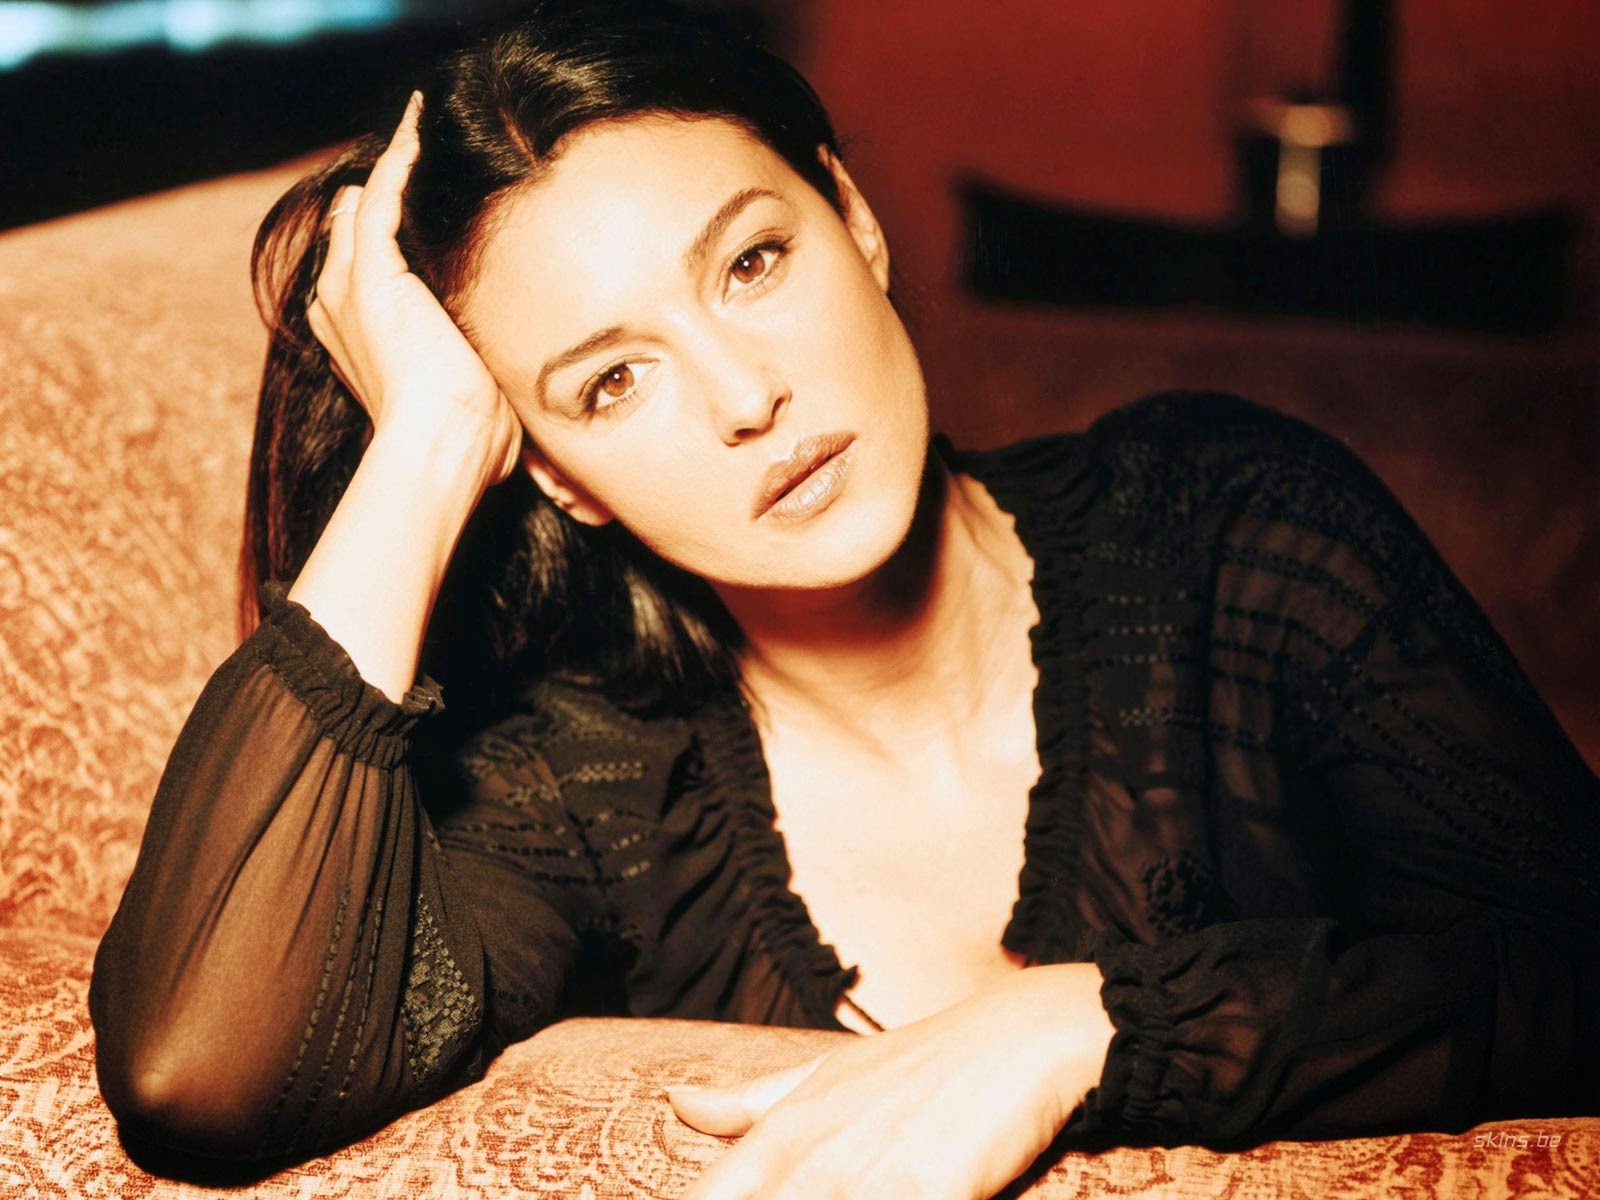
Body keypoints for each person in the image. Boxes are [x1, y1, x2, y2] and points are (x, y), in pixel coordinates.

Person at [90, 1, 1599, 1195]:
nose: (746, 396)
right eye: (610, 383)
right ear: (556, 478)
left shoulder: (1231, 529)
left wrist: (1083, 1026)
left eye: (751, 263)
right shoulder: (585, 788)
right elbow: (194, 1076)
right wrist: (424, 450)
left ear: (856, 221)